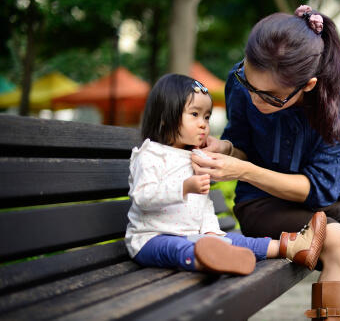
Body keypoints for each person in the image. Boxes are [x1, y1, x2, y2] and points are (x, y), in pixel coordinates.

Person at [191, 6, 340, 320]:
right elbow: (239, 144)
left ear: (307, 85)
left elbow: (320, 189)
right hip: (263, 203)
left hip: (328, 194)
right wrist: (224, 148)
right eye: (250, 85)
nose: (255, 99)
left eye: (270, 96)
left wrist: (243, 170)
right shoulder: (239, 81)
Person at [124, 73, 327, 276]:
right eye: (194, 114)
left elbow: (203, 205)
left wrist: (212, 231)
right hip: (152, 239)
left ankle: (291, 247)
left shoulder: (194, 157)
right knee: (178, 248)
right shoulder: (150, 155)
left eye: (206, 116)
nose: (203, 124)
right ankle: (211, 261)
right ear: (164, 117)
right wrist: (184, 187)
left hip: (195, 236)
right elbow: (142, 197)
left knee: (237, 240)